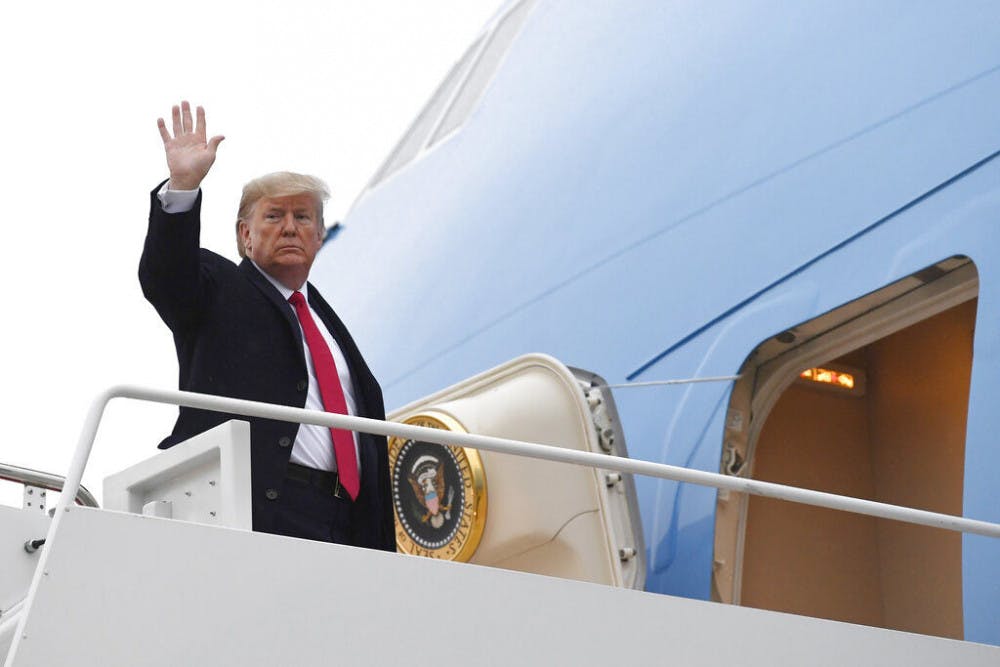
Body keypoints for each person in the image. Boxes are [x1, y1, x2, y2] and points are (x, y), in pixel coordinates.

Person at [139, 101, 395, 551]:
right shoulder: (219, 288)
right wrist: (182, 187)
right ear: (245, 235)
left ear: (319, 236)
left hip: (348, 523)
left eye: (303, 218)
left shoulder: (329, 326)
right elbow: (166, 276)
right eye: (274, 216)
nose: (290, 228)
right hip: (262, 510)